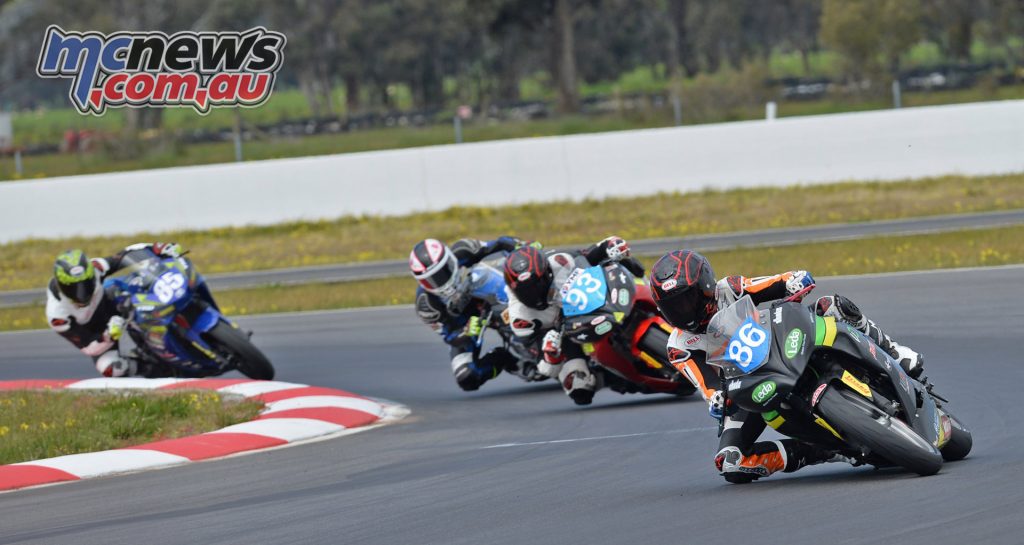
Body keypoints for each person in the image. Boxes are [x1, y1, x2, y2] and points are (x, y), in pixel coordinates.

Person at [649, 249, 924, 483]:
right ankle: (824, 450)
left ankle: (893, 352)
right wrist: (716, 398)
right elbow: (705, 385)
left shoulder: (729, 289)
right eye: (673, 306)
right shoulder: (678, 345)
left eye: (688, 300)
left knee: (830, 306)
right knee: (731, 462)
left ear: (705, 287)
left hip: (782, 346)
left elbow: (775, 282)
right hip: (745, 388)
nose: (683, 311)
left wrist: (794, 281)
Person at [503, 236, 645, 405]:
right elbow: (543, 365)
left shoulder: (560, 260)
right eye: (525, 291)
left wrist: (610, 245)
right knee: (579, 389)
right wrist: (551, 355)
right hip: (567, 336)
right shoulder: (521, 318)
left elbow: (589, 254)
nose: (534, 293)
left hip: (593, 299)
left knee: (626, 266)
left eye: (537, 284)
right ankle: (613, 378)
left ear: (547, 271)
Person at [410, 236, 539, 391]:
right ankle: (506, 359)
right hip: (467, 323)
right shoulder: (427, 305)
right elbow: (449, 335)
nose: (441, 280)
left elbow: (499, 243)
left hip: (484, 287)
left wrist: (521, 246)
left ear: (450, 259)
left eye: (444, 271)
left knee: (528, 272)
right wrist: (465, 332)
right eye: (431, 280)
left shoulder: (463, 249)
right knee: (467, 377)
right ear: (420, 281)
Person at [46, 242, 184, 377]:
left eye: (86, 284)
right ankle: (156, 369)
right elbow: (88, 347)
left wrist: (156, 249)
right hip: (99, 332)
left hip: (111, 301)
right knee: (110, 368)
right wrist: (109, 336)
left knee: (140, 280)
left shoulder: (95, 268)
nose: (81, 294)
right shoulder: (58, 317)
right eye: (72, 288)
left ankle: (176, 310)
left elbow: (123, 256)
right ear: (60, 285)